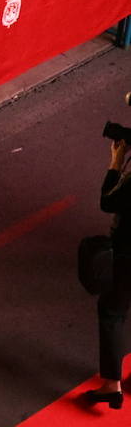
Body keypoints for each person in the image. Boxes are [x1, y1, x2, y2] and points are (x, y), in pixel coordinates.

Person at [88, 135, 131, 408]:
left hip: (128, 255)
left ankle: (112, 384)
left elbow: (108, 201)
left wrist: (116, 161)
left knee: (112, 312)